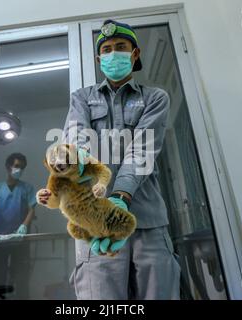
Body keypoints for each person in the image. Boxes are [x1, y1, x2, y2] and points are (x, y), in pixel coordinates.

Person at [39, 19, 181, 300]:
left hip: (147, 219)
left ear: (134, 53)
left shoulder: (154, 99)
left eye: (120, 47)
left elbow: (143, 149)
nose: (112, 53)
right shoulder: (81, 99)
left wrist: (121, 195)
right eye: (106, 49)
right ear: (98, 58)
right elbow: (76, 143)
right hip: (95, 219)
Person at [0, 152, 37, 298]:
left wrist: (24, 227)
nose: (19, 170)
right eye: (16, 166)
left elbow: (32, 209)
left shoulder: (27, 188)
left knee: (21, 279)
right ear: (8, 167)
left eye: (21, 167)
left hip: (19, 241)